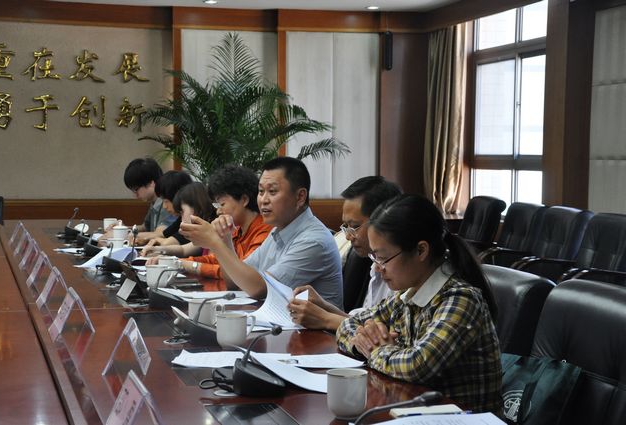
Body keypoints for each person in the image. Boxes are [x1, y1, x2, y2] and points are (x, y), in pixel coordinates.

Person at [336, 194, 502, 414]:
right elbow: (348, 324)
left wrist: (377, 350)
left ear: (421, 250)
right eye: (374, 258)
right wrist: (363, 343)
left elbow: (417, 365)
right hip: (415, 411)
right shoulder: (407, 294)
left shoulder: (461, 299)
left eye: (383, 258)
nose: (377, 268)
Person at [180, 157, 343, 308]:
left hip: (310, 330)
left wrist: (214, 243)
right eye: (260, 191)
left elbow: (259, 288)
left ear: (300, 197)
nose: (263, 200)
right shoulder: (278, 230)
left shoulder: (314, 241)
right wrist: (225, 239)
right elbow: (235, 282)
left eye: (272, 192)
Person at [288, 176, 402, 330]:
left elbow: (379, 334)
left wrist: (324, 318)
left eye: (354, 226)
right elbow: (364, 322)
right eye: (345, 226)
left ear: (382, 220)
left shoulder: (400, 270)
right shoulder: (375, 263)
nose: (348, 236)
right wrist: (323, 306)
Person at [146, 166, 272, 279]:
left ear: (244, 200)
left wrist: (184, 264)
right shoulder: (236, 230)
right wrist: (176, 262)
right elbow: (216, 260)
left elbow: (240, 274)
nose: (218, 211)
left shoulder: (264, 231)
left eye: (222, 204)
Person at [122, 158, 175, 242]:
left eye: (136, 190)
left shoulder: (167, 203)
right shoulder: (154, 201)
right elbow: (145, 227)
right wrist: (122, 229)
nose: (135, 195)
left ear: (151, 183)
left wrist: (124, 235)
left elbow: (161, 234)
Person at [141, 170, 194, 249]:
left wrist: (156, 240)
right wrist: (142, 238)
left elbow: (170, 242)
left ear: (177, 197)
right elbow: (163, 234)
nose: (164, 206)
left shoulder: (193, 219)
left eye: (166, 201)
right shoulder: (181, 218)